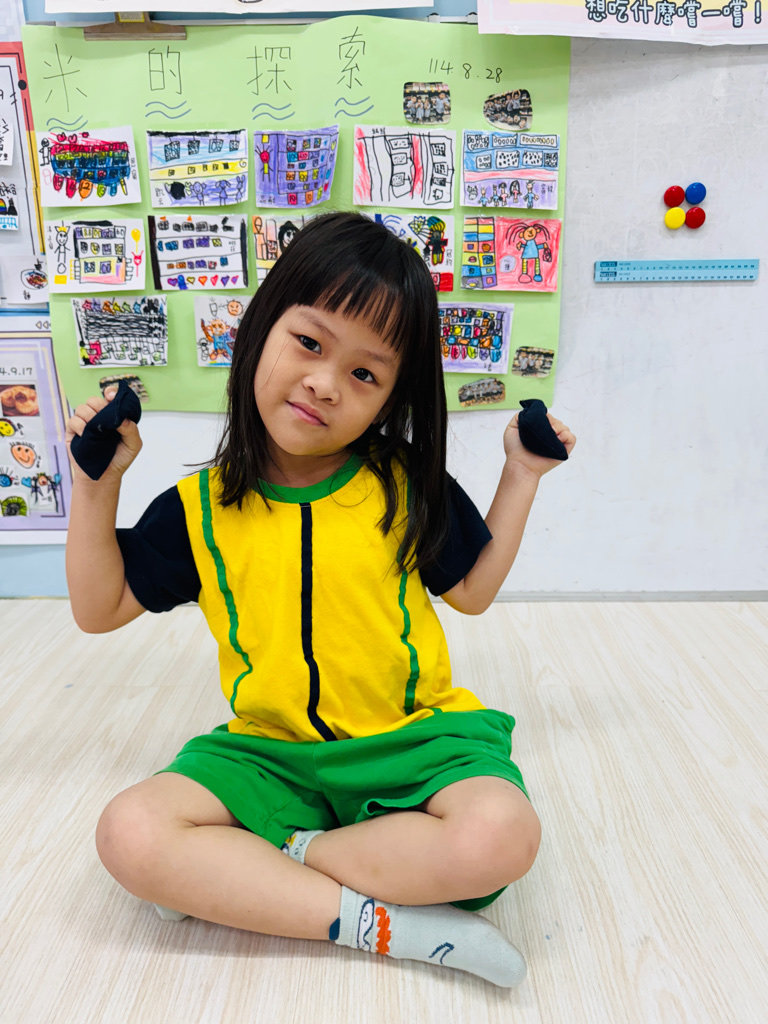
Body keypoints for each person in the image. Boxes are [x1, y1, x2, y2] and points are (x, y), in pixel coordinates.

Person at [65, 212, 576, 989]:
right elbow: (97, 608)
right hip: (271, 754)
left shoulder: (404, 484)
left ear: (389, 400)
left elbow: (472, 592)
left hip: (414, 743)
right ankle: (384, 923)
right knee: (128, 833)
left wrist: (522, 476)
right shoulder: (200, 509)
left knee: (501, 837)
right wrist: (95, 487)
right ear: (259, 329)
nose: (325, 383)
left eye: (366, 375)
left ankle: (267, 865)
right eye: (309, 342)